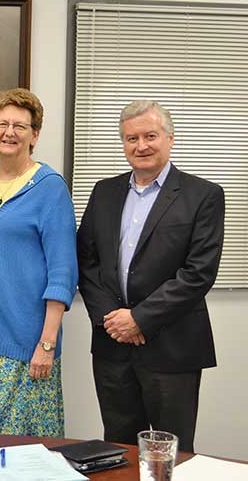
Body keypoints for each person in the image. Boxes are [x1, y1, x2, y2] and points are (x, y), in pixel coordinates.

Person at [77, 100, 224, 452]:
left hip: (173, 348)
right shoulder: (104, 191)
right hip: (112, 346)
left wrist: (139, 319)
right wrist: (113, 320)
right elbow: (86, 260)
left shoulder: (203, 195)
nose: (140, 146)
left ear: (170, 138)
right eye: (131, 138)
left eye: (150, 136)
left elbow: (198, 273)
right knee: (119, 448)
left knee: (173, 451)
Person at [0, 88, 78, 437]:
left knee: (23, 448)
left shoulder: (50, 188)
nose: (9, 132)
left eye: (20, 126)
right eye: (2, 124)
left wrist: (47, 344)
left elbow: (62, 273)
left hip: (28, 343)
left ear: (35, 135)